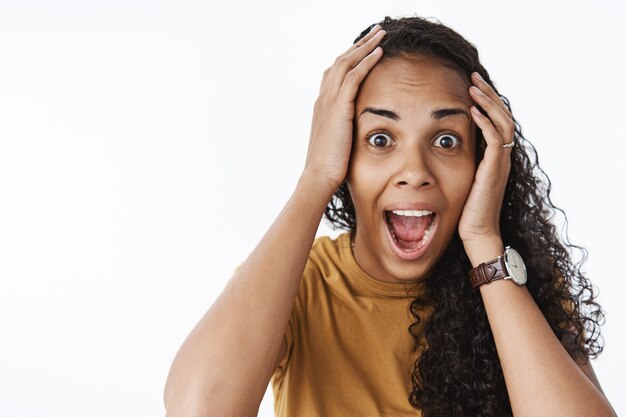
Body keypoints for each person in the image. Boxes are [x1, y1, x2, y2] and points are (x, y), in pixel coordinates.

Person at [163, 16, 616, 417]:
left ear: (482, 159)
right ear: (344, 156)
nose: (415, 172)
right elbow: (198, 408)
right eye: (380, 139)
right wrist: (315, 178)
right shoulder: (298, 281)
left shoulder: (517, 281)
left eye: (446, 141)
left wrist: (483, 240)